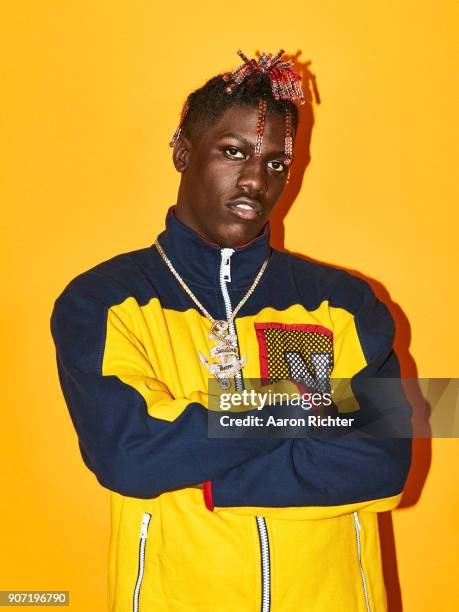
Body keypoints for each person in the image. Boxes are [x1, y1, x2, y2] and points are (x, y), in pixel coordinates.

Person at [50, 50, 412, 612]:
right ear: (182, 153)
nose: (254, 180)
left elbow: (386, 461)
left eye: (275, 163)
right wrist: (298, 406)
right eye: (233, 151)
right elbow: (128, 454)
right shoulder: (100, 300)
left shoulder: (342, 302)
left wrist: (209, 476)